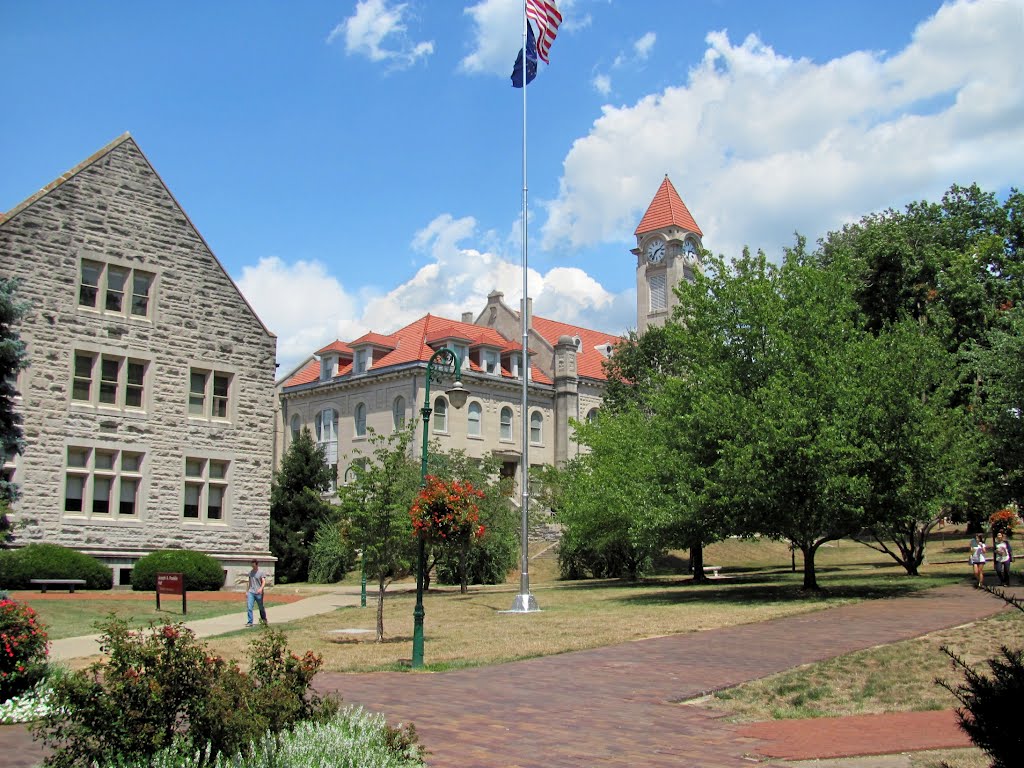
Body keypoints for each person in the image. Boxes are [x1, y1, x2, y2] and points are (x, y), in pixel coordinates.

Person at [246, 559, 268, 627]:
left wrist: (261, 589)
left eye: (254, 565)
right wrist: (247, 591)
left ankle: (264, 619)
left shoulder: (261, 572)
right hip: (251, 592)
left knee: (261, 607)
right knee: (249, 607)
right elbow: (249, 582)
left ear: (257, 565)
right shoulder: (250, 573)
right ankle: (250, 622)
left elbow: (263, 581)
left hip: (259, 593)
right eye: (252, 565)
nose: (253, 566)